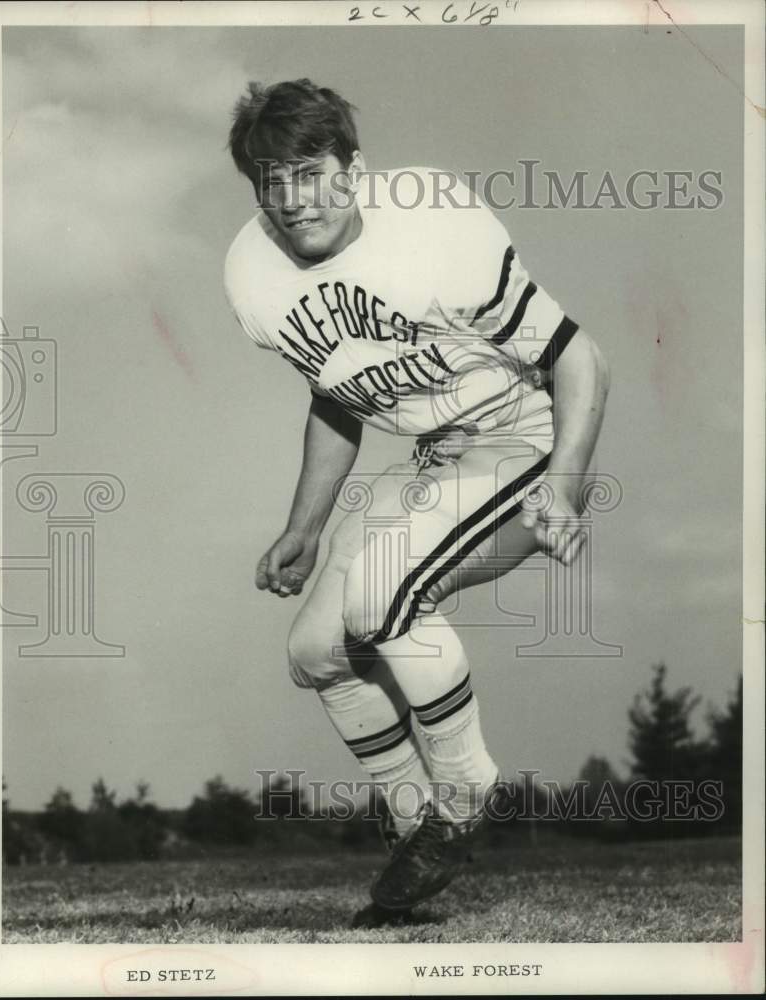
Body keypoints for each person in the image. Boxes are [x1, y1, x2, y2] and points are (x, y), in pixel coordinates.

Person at [224, 79, 609, 922]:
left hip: (520, 438)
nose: (290, 199)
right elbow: (337, 395)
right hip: (435, 456)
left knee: (380, 600)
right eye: (268, 178)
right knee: (316, 650)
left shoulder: (435, 233)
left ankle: (465, 797)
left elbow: (580, 358)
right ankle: (415, 833)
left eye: (308, 170)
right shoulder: (253, 273)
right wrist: (303, 525)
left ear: (352, 170)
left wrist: (565, 487)